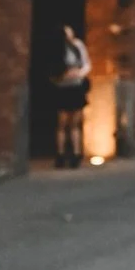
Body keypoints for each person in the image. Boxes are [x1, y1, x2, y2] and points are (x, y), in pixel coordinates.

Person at [52, 23, 91, 170]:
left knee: (75, 121)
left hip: (76, 87)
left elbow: (86, 63)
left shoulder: (77, 46)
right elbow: (53, 69)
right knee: (62, 122)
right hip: (63, 87)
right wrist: (61, 75)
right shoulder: (57, 49)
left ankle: (76, 153)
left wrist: (79, 74)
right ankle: (60, 154)